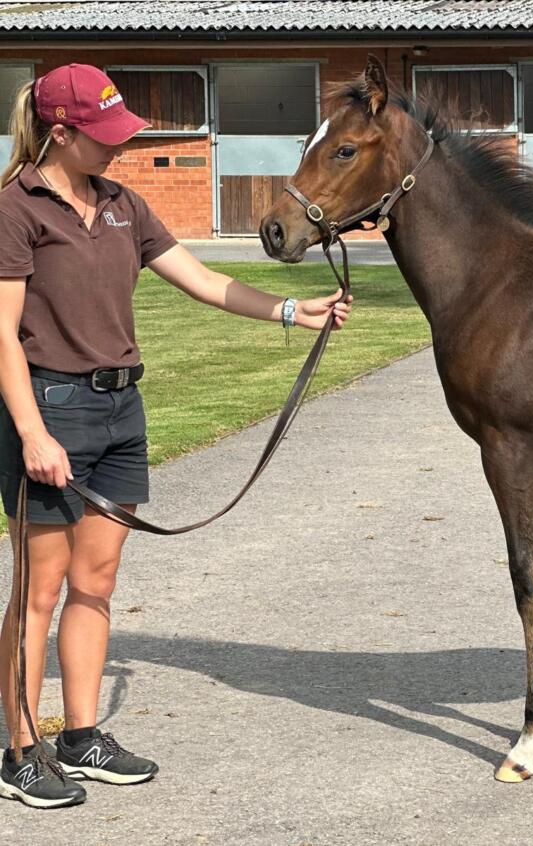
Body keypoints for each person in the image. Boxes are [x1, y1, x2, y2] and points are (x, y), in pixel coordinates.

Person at [0, 64, 350, 809]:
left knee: (96, 584)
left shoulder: (124, 203)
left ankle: (81, 736)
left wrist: (293, 312)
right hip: (50, 408)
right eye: (103, 138)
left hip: (122, 412)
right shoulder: (16, 208)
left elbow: (200, 280)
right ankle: (21, 750)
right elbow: (0, 333)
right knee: (38, 592)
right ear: (60, 133)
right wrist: (32, 431)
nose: (118, 150)